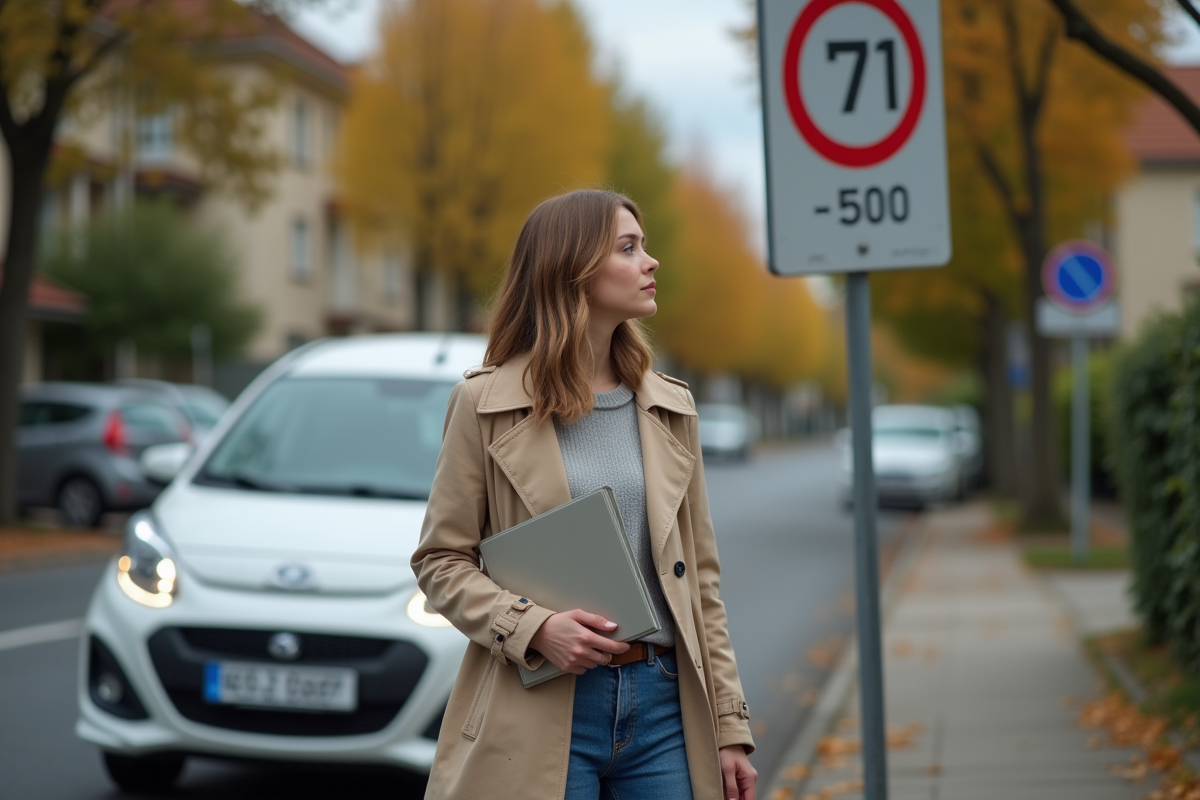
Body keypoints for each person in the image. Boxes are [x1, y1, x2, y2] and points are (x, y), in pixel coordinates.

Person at [411, 189, 757, 800]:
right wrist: (533, 628)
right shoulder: (485, 404)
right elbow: (440, 562)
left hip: (665, 707)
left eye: (643, 246)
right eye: (629, 248)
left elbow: (700, 583)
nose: (651, 262)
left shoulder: (670, 405)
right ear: (571, 269)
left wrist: (730, 724)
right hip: (539, 702)